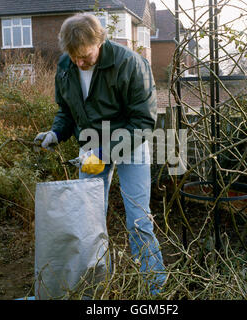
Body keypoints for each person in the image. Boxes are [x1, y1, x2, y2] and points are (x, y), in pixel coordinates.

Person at [34, 13, 166, 295]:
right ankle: (92, 286)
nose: (80, 63)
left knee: (139, 219)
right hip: (91, 148)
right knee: (87, 218)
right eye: (74, 57)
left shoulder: (130, 64)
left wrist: (105, 152)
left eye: (85, 56)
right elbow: (67, 110)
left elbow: (143, 123)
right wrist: (55, 133)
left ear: (100, 41)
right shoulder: (67, 64)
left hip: (131, 143)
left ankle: (156, 287)